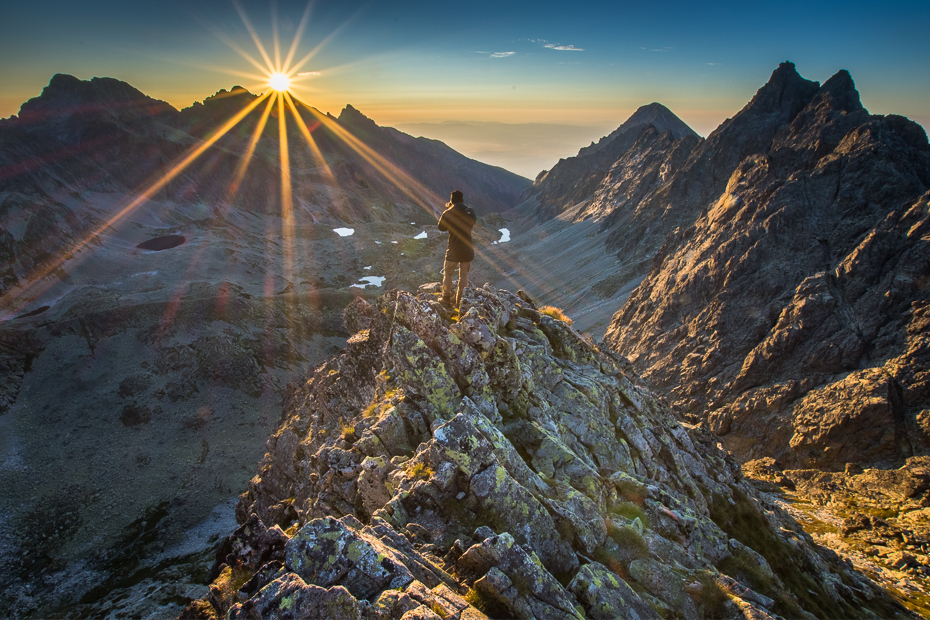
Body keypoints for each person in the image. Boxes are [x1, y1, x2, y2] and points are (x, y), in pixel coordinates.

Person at [437, 190, 477, 310]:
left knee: (448, 274)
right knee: (463, 275)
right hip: (467, 248)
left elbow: (441, 227)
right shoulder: (470, 211)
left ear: (452, 200)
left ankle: (445, 299)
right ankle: (460, 301)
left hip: (453, 249)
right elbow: (473, 222)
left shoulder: (448, 212)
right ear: (462, 199)